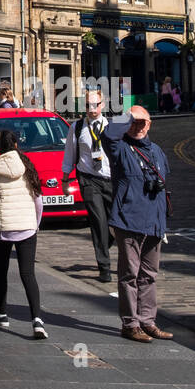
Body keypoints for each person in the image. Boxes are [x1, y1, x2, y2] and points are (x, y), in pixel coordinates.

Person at [102, 106, 173, 342]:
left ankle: (148, 321)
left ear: (150, 124)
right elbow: (108, 134)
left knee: (149, 275)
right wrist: (128, 115)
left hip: (154, 222)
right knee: (129, 274)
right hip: (128, 221)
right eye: (134, 122)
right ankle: (130, 324)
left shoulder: (158, 151)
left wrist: (162, 222)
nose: (138, 126)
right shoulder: (119, 148)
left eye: (143, 122)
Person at [0, 127, 47, 339]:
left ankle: (2, 312)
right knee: (28, 274)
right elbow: (38, 200)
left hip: (3, 228)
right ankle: (37, 320)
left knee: (1, 271)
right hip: (27, 227)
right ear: (15, 145)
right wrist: (36, 224)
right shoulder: (27, 165)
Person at [61, 84, 114, 282]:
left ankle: (102, 245)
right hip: (89, 180)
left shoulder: (112, 128)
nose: (92, 110)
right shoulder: (76, 128)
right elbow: (69, 156)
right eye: (88, 105)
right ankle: (104, 267)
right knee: (98, 222)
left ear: (103, 104)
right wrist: (65, 180)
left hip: (111, 180)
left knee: (114, 224)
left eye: (96, 105)